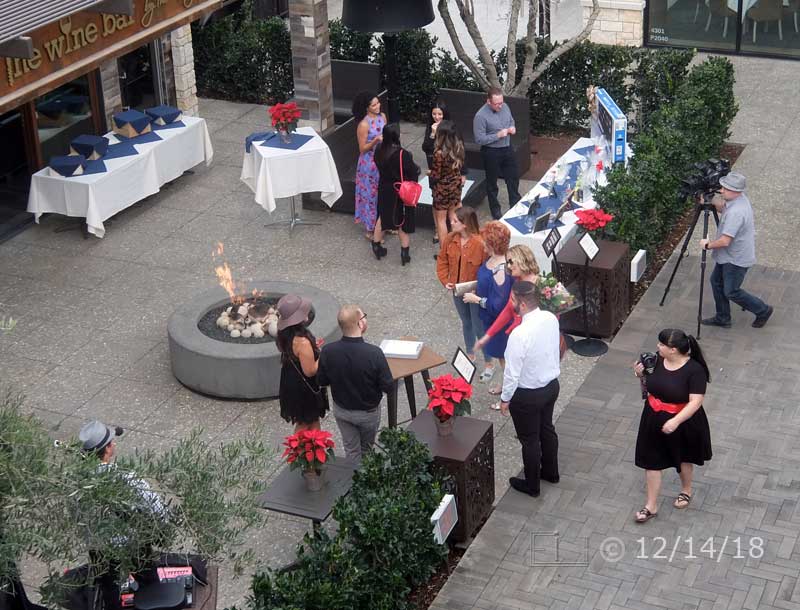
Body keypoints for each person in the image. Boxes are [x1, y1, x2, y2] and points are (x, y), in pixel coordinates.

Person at [632, 329, 712, 523]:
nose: (658, 347)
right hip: (653, 417)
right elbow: (648, 383)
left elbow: (695, 402)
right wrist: (639, 373)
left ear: (673, 350)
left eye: (661, 345)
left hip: (683, 421)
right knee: (651, 461)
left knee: (684, 458)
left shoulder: (695, 371)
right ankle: (651, 505)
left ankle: (686, 490)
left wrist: (675, 421)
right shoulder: (655, 360)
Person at [500, 281, 561, 498]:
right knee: (546, 428)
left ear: (522, 304)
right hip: (551, 386)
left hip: (527, 395)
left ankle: (532, 485)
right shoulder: (550, 318)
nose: (511, 303)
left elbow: (512, 373)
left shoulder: (519, 334)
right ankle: (551, 472)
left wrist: (505, 399)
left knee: (530, 439)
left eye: (513, 300)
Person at [317, 305, 394, 461]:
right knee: (366, 450)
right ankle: (365, 479)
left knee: (351, 451)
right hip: (367, 413)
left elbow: (322, 380)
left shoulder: (328, 351)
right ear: (360, 324)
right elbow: (388, 386)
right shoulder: (374, 353)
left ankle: (351, 480)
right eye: (363, 316)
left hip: (342, 411)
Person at [699, 172, 773, 329]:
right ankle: (723, 317)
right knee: (716, 282)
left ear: (735, 191)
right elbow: (723, 208)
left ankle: (763, 310)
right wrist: (709, 201)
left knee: (731, 291)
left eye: (725, 188)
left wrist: (707, 245)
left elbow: (725, 241)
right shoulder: (738, 200)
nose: (721, 190)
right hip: (729, 255)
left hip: (736, 259)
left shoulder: (736, 213)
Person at [463, 221, 513, 398]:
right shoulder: (498, 260)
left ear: (491, 244)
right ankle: (507, 386)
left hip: (499, 324)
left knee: (505, 359)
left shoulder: (500, 270)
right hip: (493, 321)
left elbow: (497, 306)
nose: (482, 243)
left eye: (485, 241)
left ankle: (508, 395)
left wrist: (476, 299)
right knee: (504, 359)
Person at [436, 206, 487, 359]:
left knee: (478, 326)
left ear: (465, 224)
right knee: (466, 322)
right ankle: (470, 354)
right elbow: (442, 260)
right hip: (457, 290)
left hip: (475, 292)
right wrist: (446, 280)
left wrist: (479, 291)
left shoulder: (480, 244)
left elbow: (486, 270)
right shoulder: (451, 239)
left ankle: (488, 360)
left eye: (455, 221)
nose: (451, 223)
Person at [276, 294, 329, 432]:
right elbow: (310, 370)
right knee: (305, 423)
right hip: (304, 389)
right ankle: (297, 452)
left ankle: (316, 450)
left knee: (312, 421)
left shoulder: (285, 334)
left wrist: (312, 349)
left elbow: (295, 354)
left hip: (292, 381)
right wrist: (322, 355)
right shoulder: (302, 342)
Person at [373, 123, 420, 264]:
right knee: (401, 221)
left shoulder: (378, 150)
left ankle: (376, 246)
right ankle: (404, 253)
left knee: (382, 217)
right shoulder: (402, 154)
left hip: (384, 188)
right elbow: (413, 171)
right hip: (399, 191)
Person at [473, 86, 521, 220]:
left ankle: (515, 204)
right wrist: (498, 135)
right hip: (491, 152)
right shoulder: (480, 116)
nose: (500, 106)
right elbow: (479, 139)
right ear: (489, 102)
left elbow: (511, 119)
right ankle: (495, 210)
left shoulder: (505, 106)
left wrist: (512, 127)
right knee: (492, 182)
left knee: (513, 177)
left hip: (507, 147)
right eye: (497, 104)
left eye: (501, 102)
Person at [352, 91, 386, 240]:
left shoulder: (382, 117)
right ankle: (370, 228)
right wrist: (375, 141)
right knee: (370, 196)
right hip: (369, 164)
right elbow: (362, 148)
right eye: (374, 105)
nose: (377, 106)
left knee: (383, 193)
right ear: (367, 107)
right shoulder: (364, 124)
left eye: (378, 103)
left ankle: (384, 223)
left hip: (383, 160)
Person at [430, 120, 466, 255]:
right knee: (454, 218)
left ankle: (445, 252)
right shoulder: (459, 147)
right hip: (455, 186)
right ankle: (458, 246)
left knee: (441, 221)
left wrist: (430, 173)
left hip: (442, 189)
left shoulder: (439, 153)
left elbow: (436, 174)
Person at [421, 99, 450, 171]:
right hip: (434, 166)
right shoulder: (431, 125)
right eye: (434, 114)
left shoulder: (450, 127)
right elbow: (425, 148)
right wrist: (432, 134)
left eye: (440, 114)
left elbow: (457, 148)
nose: (436, 117)